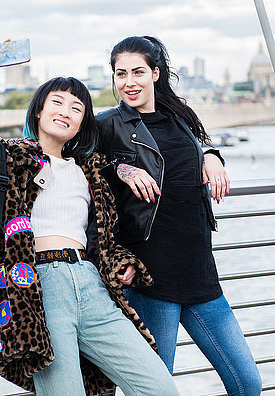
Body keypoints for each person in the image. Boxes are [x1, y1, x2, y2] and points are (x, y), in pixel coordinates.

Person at [0, 39, 178, 396]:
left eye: (76, 108)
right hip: (39, 285)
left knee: (159, 388)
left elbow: (103, 235)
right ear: (38, 112)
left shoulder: (91, 172)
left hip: (92, 284)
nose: (66, 111)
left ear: (82, 123)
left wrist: (119, 260)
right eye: (56, 102)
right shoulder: (13, 160)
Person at [95, 36, 263, 396]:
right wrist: (122, 169)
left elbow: (195, 146)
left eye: (138, 71)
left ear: (155, 73)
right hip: (151, 275)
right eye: (120, 74)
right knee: (157, 389)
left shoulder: (180, 117)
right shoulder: (107, 125)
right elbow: (81, 171)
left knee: (247, 383)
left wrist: (211, 154)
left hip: (199, 270)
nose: (129, 82)